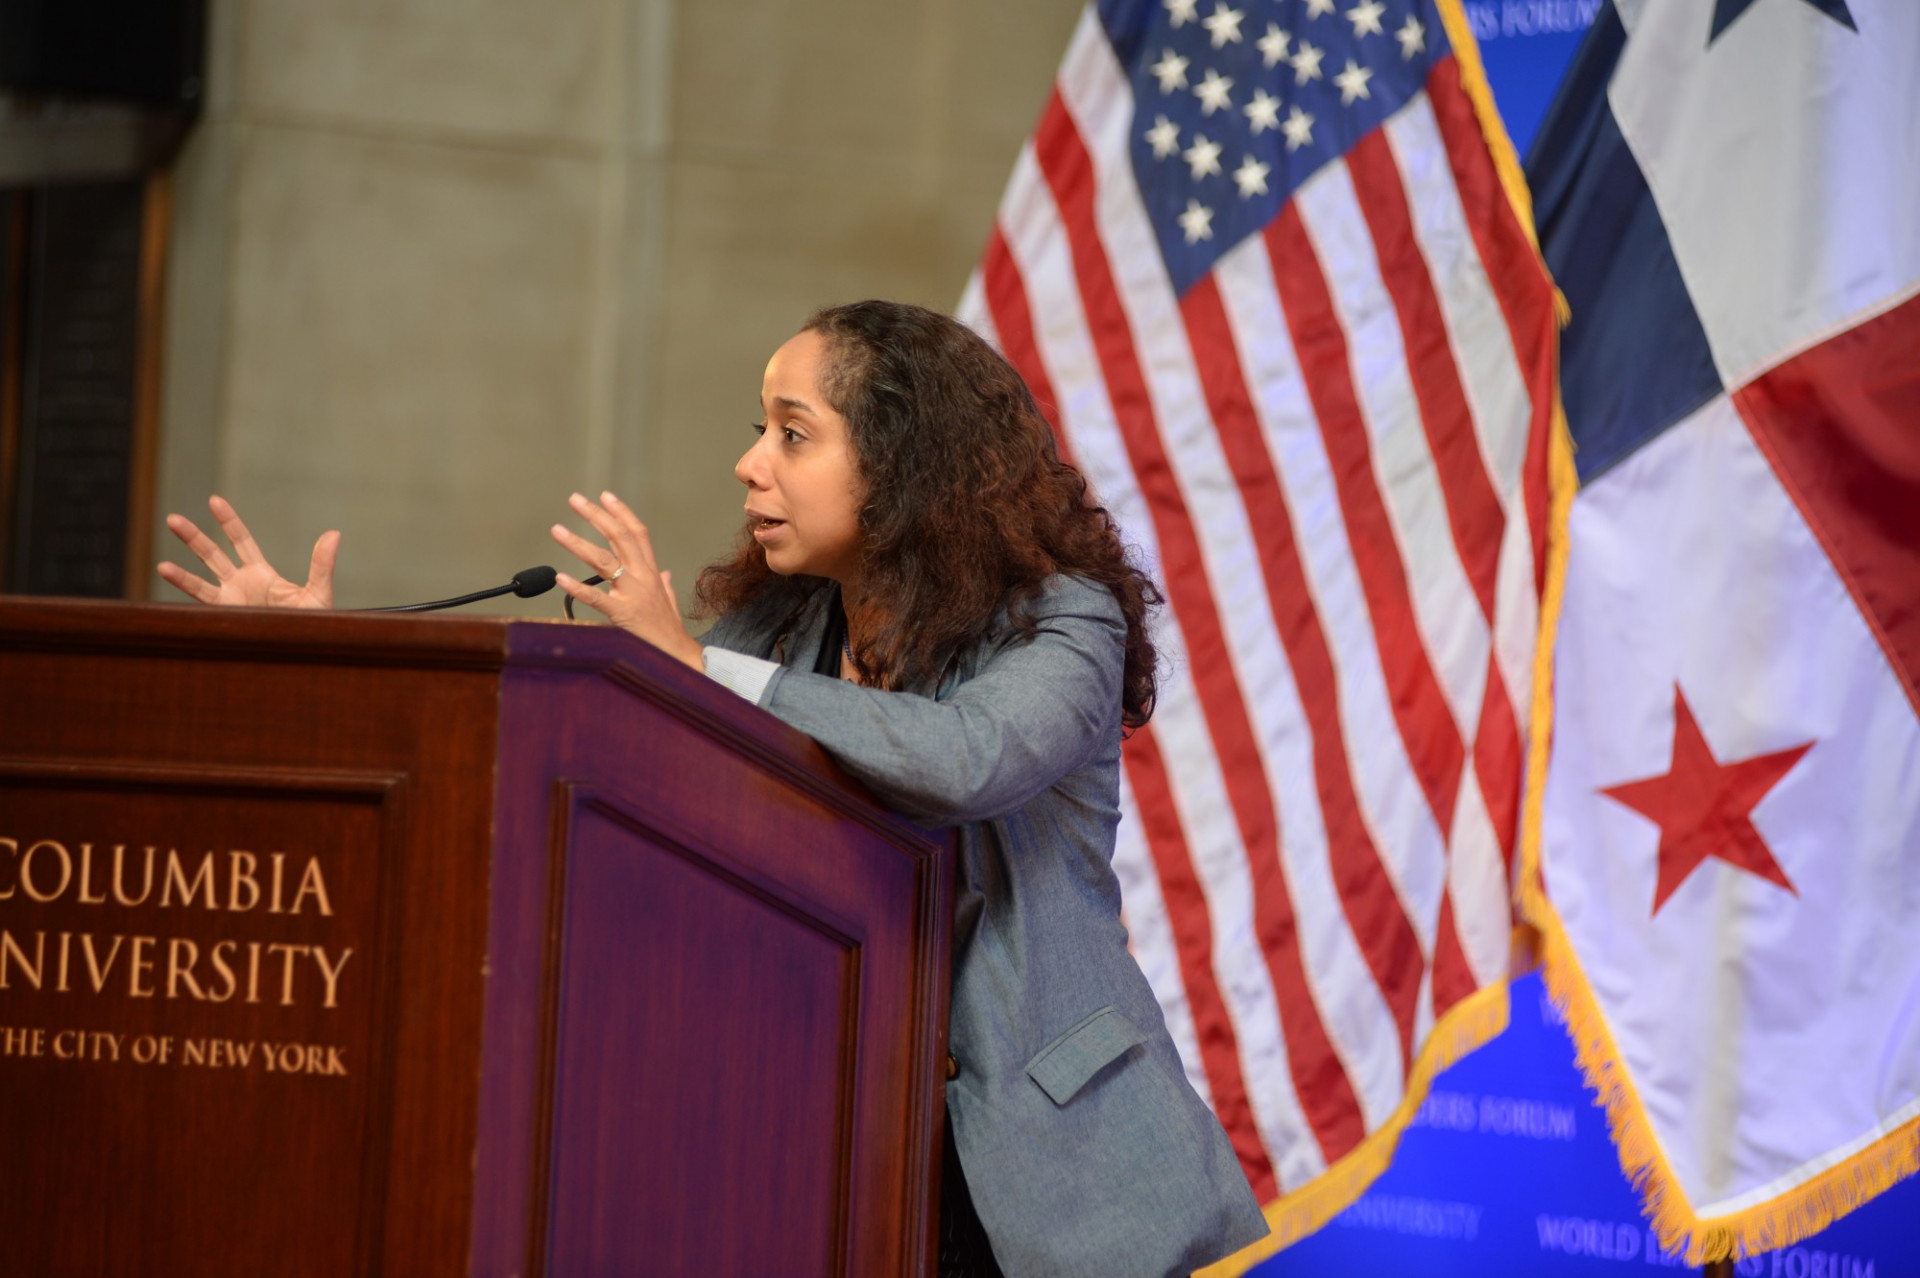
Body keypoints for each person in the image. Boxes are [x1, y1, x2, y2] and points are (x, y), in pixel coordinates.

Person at [160, 300, 1268, 1277]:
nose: (749, 464)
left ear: (903, 464)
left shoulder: (1063, 619)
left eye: (793, 433)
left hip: (1047, 1166)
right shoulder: (778, 629)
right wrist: (330, 665)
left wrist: (693, 665)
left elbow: (965, 759)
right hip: (819, 1146)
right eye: (758, 429)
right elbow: (571, 777)